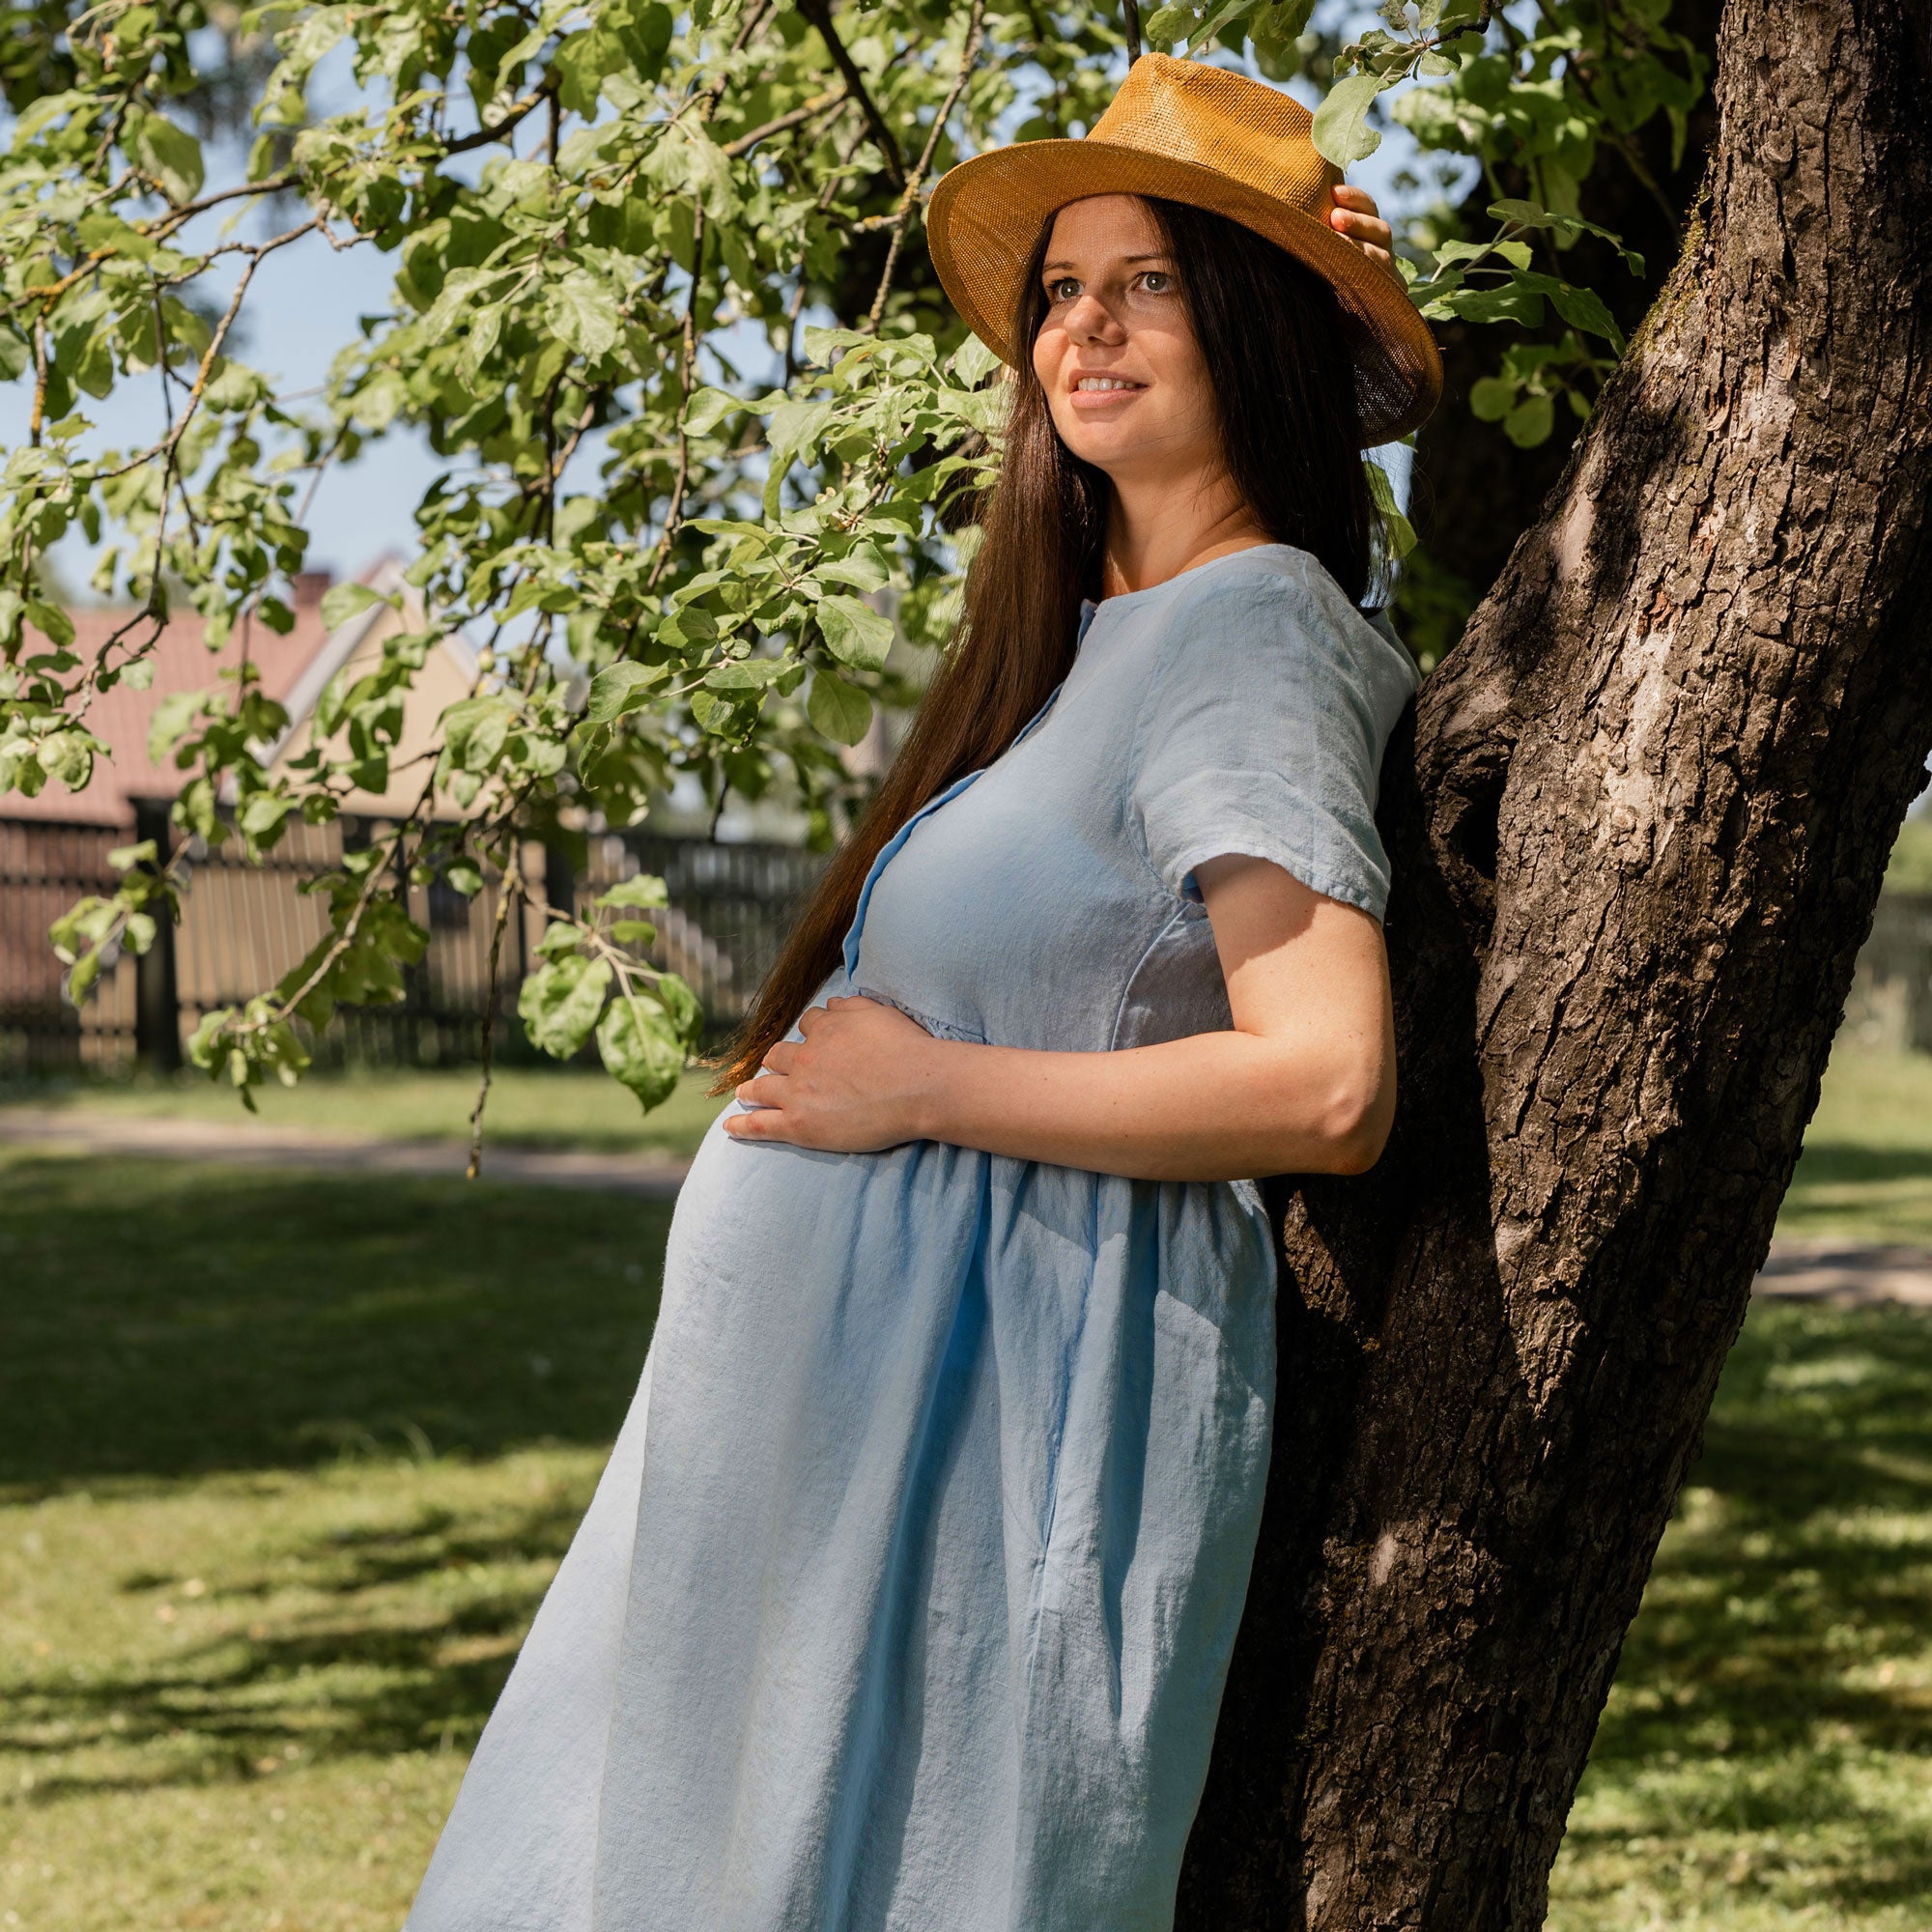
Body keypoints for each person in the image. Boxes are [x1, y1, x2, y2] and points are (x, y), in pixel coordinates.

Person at [402, 51, 1440, 1932]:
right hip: (847, 1438)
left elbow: (1326, 1083)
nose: (1084, 329)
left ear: (1257, 325)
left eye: (1152, 280)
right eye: (1065, 287)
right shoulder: (1093, 642)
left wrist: (923, 1090)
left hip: (994, 1435)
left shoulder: (1256, 633)